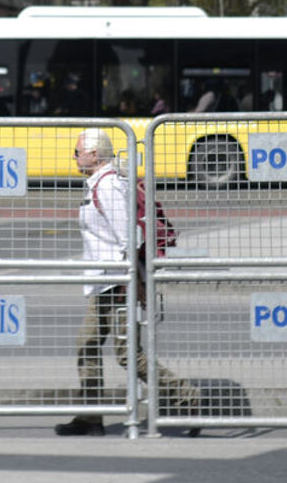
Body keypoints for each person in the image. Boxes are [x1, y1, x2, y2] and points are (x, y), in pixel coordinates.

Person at [55, 128, 199, 436]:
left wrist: (132, 283)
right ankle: (90, 417)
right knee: (87, 344)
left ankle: (188, 397)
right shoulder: (98, 184)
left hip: (119, 283)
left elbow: (128, 238)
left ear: (94, 155)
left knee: (127, 354)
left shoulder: (108, 186)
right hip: (105, 282)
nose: (74, 156)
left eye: (78, 151)